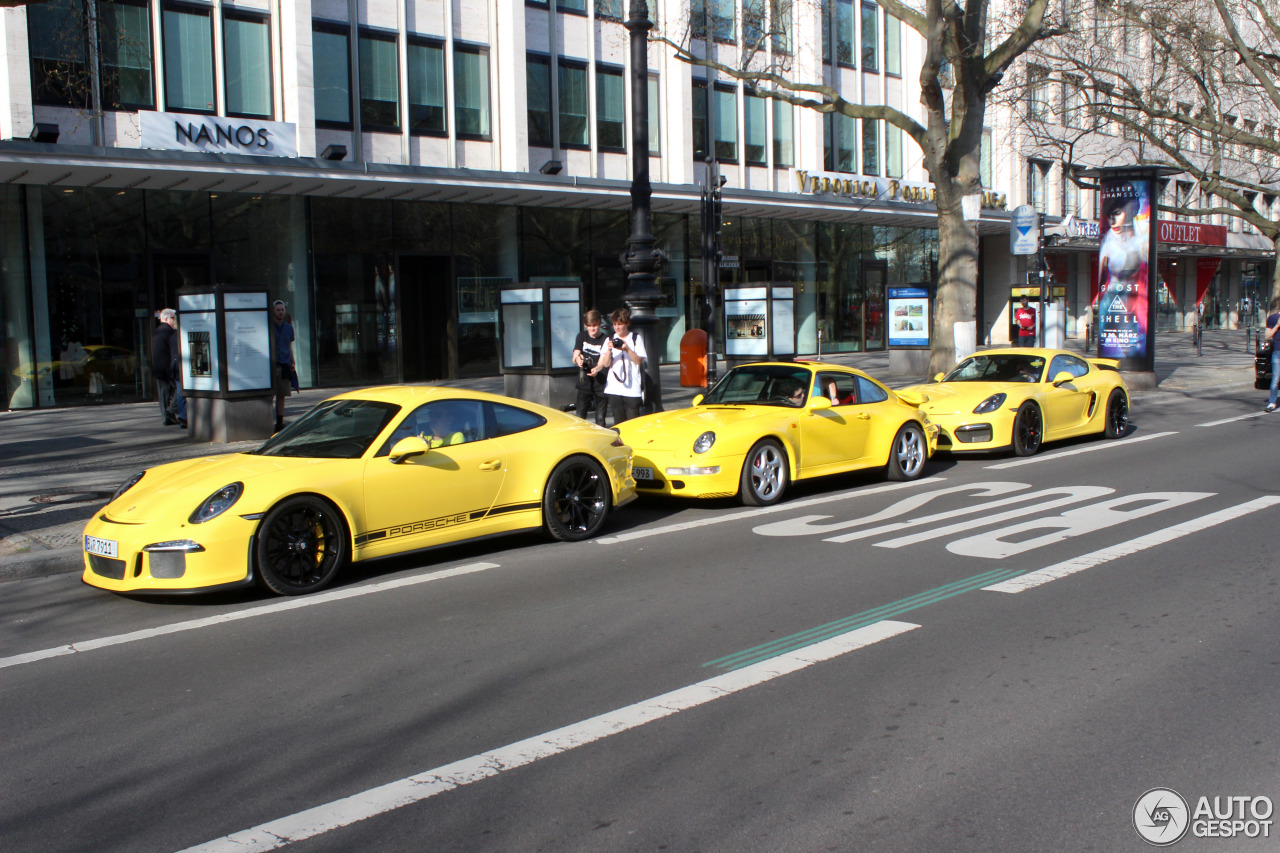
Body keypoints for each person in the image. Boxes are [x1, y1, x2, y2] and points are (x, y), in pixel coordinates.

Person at [599, 307, 647, 425]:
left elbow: (639, 361)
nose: (617, 328)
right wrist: (609, 350)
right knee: (618, 423)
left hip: (632, 389)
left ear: (627, 323)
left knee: (632, 423)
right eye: (615, 324)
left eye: (620, 324)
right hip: (614, 388)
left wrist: (627, 349)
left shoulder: (635, 338)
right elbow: (605, 364)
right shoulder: (609, 339)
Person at [571, 309, 609, 426]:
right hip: (584, 381)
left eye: (595, 326)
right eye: (589, 326)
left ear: (599, 324)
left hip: (600, 381)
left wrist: (596, 370)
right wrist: (578, 360)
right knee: (580, 415)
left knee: (600, 418)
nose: (592, 329)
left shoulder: (605, 339)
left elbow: (603, 362)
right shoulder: (581, 336)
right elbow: (574, 357)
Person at [151, 308, 181, 426]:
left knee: (163, 393)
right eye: (173, 319)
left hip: (158, 367)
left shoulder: (156, 331)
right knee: (180, 390)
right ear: (168, 319)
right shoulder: (170, 332)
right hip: (168, 367)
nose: (174, 321)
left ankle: (166, 416)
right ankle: (170, 411)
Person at [270, 299, 296, 433]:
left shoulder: (288, 327)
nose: (280, 312)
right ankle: (269, 421)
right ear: (273, 311)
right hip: (272, 365)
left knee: (282, 394)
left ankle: (279, 423)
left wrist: (293, 362)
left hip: (285, 364)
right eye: (278, 310)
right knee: (270, 394)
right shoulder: (269, 327)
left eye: (282, 310)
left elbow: (289, 346)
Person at [1265, 297, 1280, 413]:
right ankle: (1272, 402)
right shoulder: (1273, 318)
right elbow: (1267, 335)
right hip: (1277, 352)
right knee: (1276, 378)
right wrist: (1277, 326)